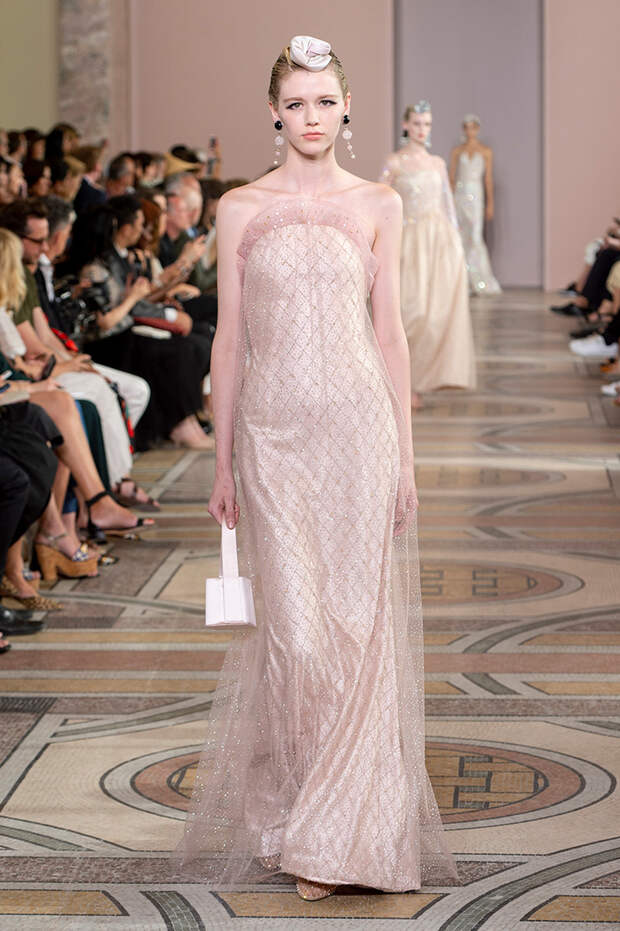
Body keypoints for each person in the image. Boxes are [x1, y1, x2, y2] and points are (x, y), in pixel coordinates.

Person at [178, 35, 456, 900]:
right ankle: (296, 809)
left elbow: (390, 336)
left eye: (325, 102)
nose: (311, 117)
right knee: (295, 634)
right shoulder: (238, 208)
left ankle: (340, 832)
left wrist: (406, 459)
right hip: (271, 442)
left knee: (356, 630)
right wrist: (221, 459)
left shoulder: (378, 202)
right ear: (274, 111)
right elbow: (227, 342)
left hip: (360, 436)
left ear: (346, 108)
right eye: (296, 103)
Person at [381, 101, 476, 409]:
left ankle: (417, 383)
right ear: (406, 125)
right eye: (417, 123)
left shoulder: (437, 163)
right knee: (410, 313)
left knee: (436, 316)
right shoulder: (395, 162)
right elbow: (379, 201)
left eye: (427, 124)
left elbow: (448, 204)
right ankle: (399, 382)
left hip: (440, 244)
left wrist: (457, 243)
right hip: (408, 242)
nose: (422, 129)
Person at [449, 114, 501, 296]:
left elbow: (488, 180)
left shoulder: (485, 151)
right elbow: (451, 178)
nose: (469, 131)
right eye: (466, 127)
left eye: (473, 127)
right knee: (460, 236)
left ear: (477, 129)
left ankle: (480, 281)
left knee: (475, 237)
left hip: (476, 196)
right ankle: (462, 282)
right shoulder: (457, 151)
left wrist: (490, 204)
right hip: (459, 196)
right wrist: (449, 202)